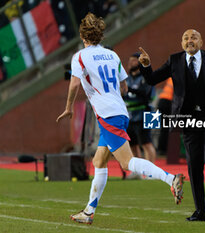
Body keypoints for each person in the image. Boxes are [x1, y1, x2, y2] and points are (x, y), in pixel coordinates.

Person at [56, 13, 184, 224]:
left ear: (82, 35)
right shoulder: (111, 55)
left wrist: (69, 107)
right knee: (99, 161)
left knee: (126, 162)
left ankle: (171, 178)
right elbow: (124, 86)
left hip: (107, 115)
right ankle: (88, 212)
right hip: (120, 111)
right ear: (101, 34)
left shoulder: (79, 57)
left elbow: (75, 84)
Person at [138, 29, 205, 221]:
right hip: (187, 119)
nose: (189, 40)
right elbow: (152, 79)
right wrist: (146, 66)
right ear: (181, 43)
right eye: (185, 38)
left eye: (193, 37)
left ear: (201, 41)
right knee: (194, 165)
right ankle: (200, 211)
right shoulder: (174, 60)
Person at [124, 52, 157, 179]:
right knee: (133, 144)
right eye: (129, 61)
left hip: (146, 113)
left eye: (133, 61)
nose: (130, 63)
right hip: (130, 114)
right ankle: (137, 171)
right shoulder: (127, 78)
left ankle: (151, 172)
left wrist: (129, 90)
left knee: (147, 143)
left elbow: (146, 95)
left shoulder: (145, 77)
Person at [156, 78, 173, 155]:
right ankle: (163, 149)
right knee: (166, 127)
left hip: (162, 101)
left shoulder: (171, 77)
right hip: (167, 102)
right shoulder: (180, 76)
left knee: (164, 127)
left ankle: (161, 148)